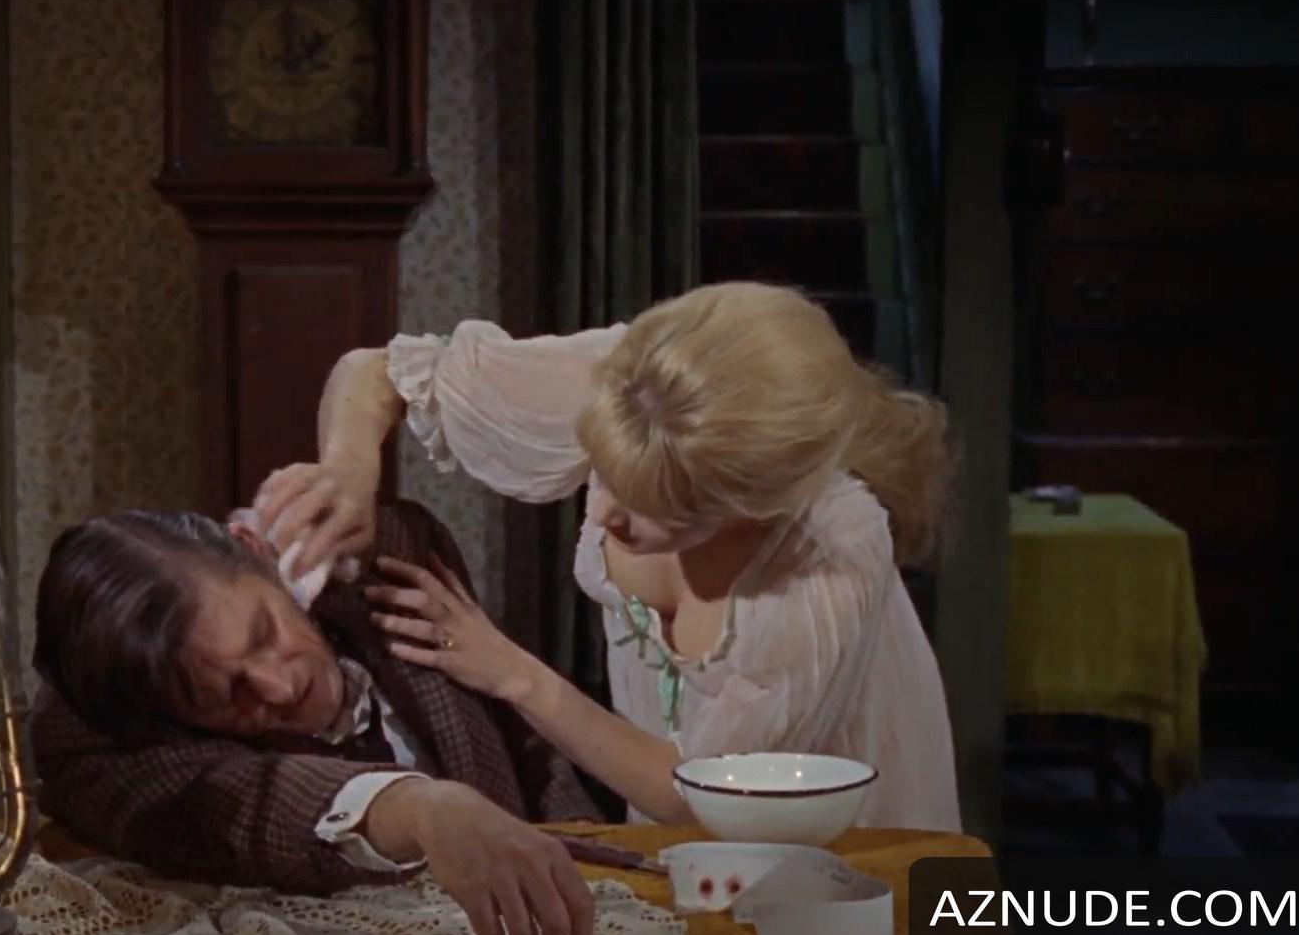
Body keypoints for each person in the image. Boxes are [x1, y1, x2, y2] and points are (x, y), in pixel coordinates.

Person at [254, 281, 962, 831]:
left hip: (821, 822)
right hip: (665, 812)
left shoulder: (827, 556)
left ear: (749, 508)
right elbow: (373, 372)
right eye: (604, 470)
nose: (600, 515)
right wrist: (349, 470)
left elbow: (700, 799)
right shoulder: (641, 384)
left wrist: (511, 672)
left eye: (652, 505)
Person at [31, 498, 602, 935]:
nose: (281, 688)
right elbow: (259, 804)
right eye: (230, 695)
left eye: (263, 633)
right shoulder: (109, 740)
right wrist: (422, 809)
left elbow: (521, 743)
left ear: (255, 551)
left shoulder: (388, 563)